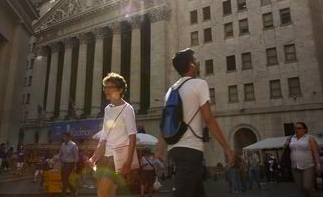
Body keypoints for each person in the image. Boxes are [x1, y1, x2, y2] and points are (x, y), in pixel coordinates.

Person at [155, 48, 234, 197]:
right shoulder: (199, 84)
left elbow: (164, 123)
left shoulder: (171, 90)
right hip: (191, 150)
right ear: (191, 65)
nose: (198, 63)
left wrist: (160, 149)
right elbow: (209, 119)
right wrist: (227, 148)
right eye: (196, 60)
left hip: (174, 148)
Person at [89, 72, 137, 197]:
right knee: (104, 192)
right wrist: (95, 156)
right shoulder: (107, 109)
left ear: (120, 89)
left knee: (105, 189)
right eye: (105, 87)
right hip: (104, 156)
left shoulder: (128, 109)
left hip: (117, 157)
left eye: (110, 87)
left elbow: (132, 137)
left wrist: (128, 161)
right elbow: (104, 135)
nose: (106, 90)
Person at [289, 122, 320, 197]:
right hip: (294, 167)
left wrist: (318, 164)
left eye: (299, 128)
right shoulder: (292, 138)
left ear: (305, 130)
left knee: (307, 187)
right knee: (301, 189)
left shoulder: (310, 138)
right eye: (295, 128)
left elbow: (315, 152)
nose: (297, 130)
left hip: (308, 166)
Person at [58, 132, 79, 197]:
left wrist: (75, 166)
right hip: (64, 164)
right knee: (63, 179)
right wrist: (60, 161)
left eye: (66, 137)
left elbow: (76, 156)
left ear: (69, 137)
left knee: (65, 178)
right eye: (64, 137)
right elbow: (60, 154)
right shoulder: (63, 145)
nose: (64, 138)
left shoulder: (73, 145)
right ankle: (73, 190)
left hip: (70, 164)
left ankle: (63, 194)